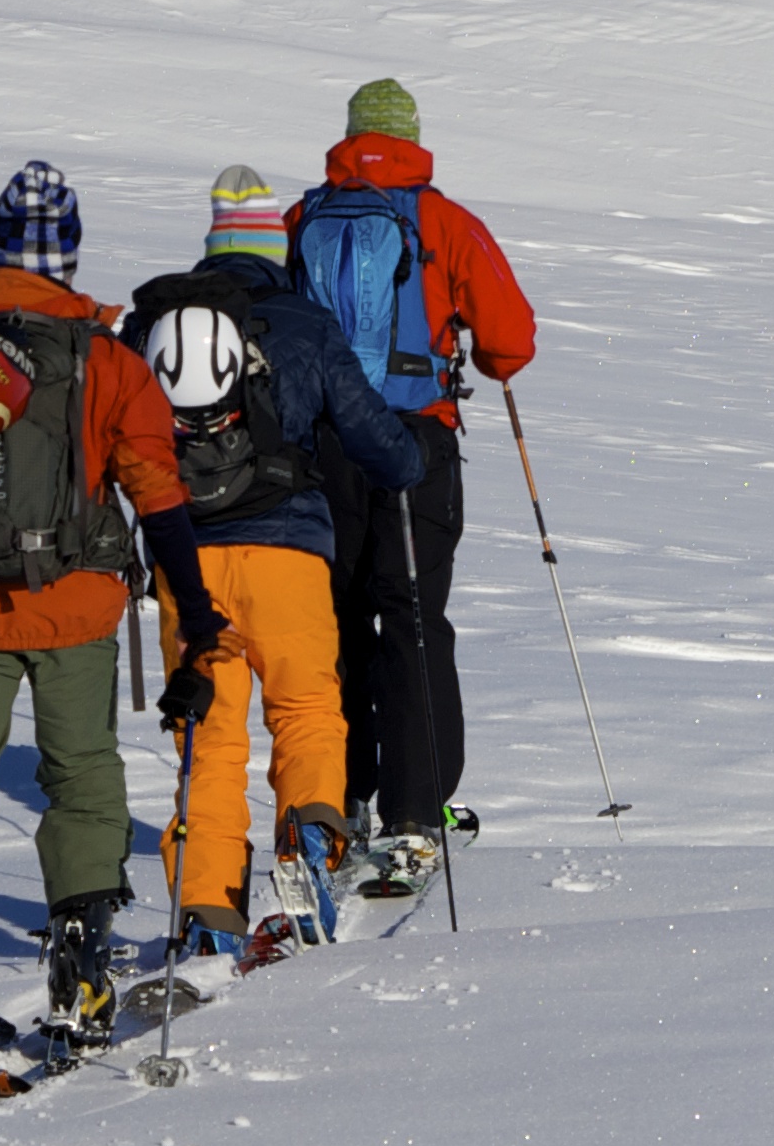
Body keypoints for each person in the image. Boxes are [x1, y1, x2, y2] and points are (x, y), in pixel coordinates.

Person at [0, 161, 211, 1045]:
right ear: (71, 252)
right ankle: (82, 952)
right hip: (78, 606)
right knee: (84, 778)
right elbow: (157, 495)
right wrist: (194, 611)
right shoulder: (107, 359)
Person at [125, 167, 438, 953]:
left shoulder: (155, 332)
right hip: (290, 553)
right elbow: (374, 436)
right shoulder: (304, 324)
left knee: (211, 738)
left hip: (186, 562)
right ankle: (309, 843)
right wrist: (410, 465)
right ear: (278, 250)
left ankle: (207, 905)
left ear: (209, 252)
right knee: (304, 710)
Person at [289, 78, 544, 886]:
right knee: (412, 617)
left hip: (326, 443)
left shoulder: (304, 217)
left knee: (334, 616)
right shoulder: (442, 219)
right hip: (415, 437)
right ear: (413, 137)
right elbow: (510, 340)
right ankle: (414, 808)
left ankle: (342, 798)